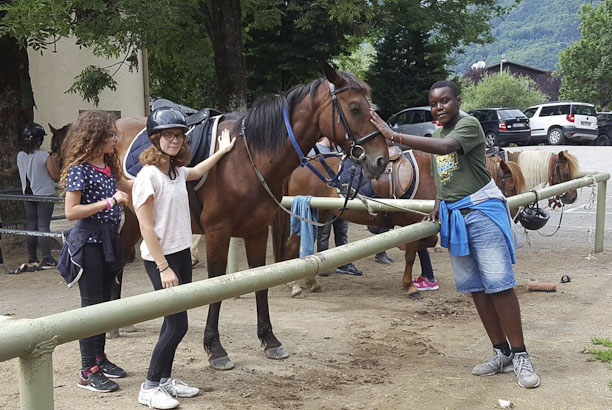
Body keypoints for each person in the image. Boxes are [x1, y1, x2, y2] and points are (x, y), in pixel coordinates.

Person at [370, 80, 540, 389]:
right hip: (455, 216)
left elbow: (447, 150)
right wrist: (437, 204)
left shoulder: (469, 125)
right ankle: (500, 352)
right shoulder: (437, 133)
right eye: (433, 103)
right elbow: (442, 177)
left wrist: (393, 135)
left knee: (498, 284)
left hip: (481, 212)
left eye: (444, 102)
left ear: (457, 101)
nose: (438, 108)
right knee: (476, 287)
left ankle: (521, 356)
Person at [132, 107, 235, 409]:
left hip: (180, 255)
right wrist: (163, 266)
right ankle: (149, 385)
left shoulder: (176, 173)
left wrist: (223, 149)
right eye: (168, 136)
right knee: (177, 325)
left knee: (175, 322)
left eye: (178, 135)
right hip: (160, 260)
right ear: (156, 139)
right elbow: (146, 227)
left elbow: (200, 170)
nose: (175, 141)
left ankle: (165, 380)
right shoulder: (149, 177)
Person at [57, 111, 130, 393]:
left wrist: (157, 180)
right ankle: (87, 371)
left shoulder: (109, 166)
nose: (115, 139)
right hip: (88, 245)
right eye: (111, 135)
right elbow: (71, 212)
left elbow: (128, 186)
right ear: (96, 137)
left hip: (108, 242)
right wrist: (109, 202)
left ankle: (100, 359)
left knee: (104, 305)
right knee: (91, 307)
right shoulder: (79, 169)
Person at [309, 137, 362, 276]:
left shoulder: (339, 149)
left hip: (340, 196)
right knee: (323, 233)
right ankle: (323, 263)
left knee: (342, 231)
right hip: (325, 197)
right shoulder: (316, 149)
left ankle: (343, 263)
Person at [16, 123, 60, 271]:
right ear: (39, 140)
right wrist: (54, 160)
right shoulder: (44, 156)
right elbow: (55, 176)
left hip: (27, 195)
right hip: (44, 195)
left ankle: (32, 257)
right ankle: (47, 258)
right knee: (43, 226)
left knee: (32, 226)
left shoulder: (20, 155)